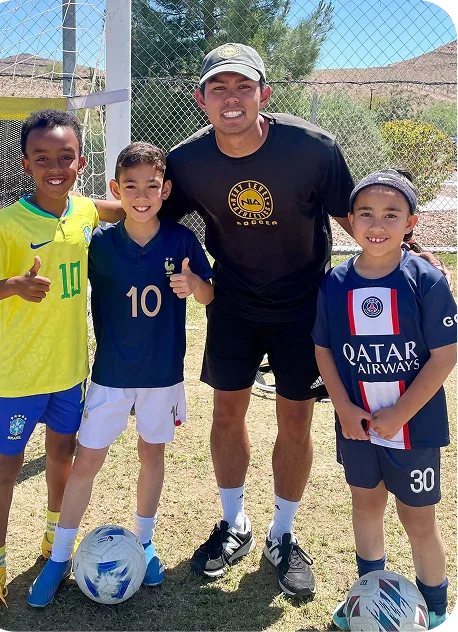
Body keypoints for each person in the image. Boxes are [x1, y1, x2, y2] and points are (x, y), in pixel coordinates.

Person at [155, 42, 358, 597]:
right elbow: (147, 213)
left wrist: (408, 259)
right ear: (201, 99)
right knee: (227, 414)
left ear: (264, 94)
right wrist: (67, 216)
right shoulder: (187, 161)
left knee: (296, 421)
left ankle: (284, 535)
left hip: (303, 304)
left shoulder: (313, 149)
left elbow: (355, 219)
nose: (232, 98)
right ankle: (234, 524)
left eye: (244, 86)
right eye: (218, 88)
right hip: (233, 301)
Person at [25, 142, 214, 607]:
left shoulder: (182, 240)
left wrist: (196, 286)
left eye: (152, 186)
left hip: (162, 376)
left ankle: (144, 541)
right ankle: (59, 558)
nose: (143, 195)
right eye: (131, 186)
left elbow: (210, 296)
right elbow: (55, 251)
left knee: (153, 457)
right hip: (110, 375)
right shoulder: (100, 245)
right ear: (115, 190)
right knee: (86, 462)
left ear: (166, 189)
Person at [0, 109, 119, 624]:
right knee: (5, 471)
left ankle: (55, 539)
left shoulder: (83, 211)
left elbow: (127, 209)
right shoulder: (9, 224)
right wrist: (12, 286)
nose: (55, 167)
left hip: (70, 372)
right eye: (43, 159)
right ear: (25, 164)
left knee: (63, 455)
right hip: (20, 378)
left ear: (80, 162)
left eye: (65, 157)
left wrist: (152, 200)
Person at [312, 168, 457, 630]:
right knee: (366, 507)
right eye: (367, 214)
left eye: (391, 214)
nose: (378, 224)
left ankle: (435, 612)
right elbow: (325, 349)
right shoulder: (335, 283)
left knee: (418, 522)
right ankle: (368, 600)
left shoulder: (426, 280)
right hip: (358, 425)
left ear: (411, 223)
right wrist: (343, 407)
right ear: (350, 221)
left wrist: (401, 412)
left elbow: (445, 354)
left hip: (412, 428)